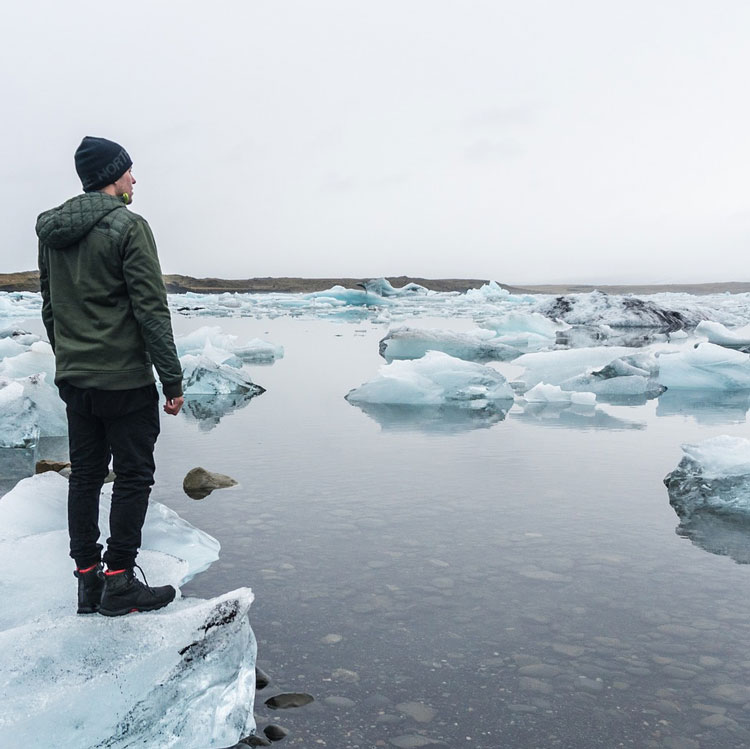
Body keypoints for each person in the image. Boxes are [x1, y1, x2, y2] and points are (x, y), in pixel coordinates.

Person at [36, 136, 185, 616]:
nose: (134, 179)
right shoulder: (129, 226)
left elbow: (50, 307)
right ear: (111, 177)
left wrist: (69, 359)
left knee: (84, 477)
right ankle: (118, 582)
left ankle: (87, 582)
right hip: (124, 381)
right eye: (128, 172)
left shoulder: (51, 232)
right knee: (134, 475)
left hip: (77, 379)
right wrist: (172, 380)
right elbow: (151, 310)